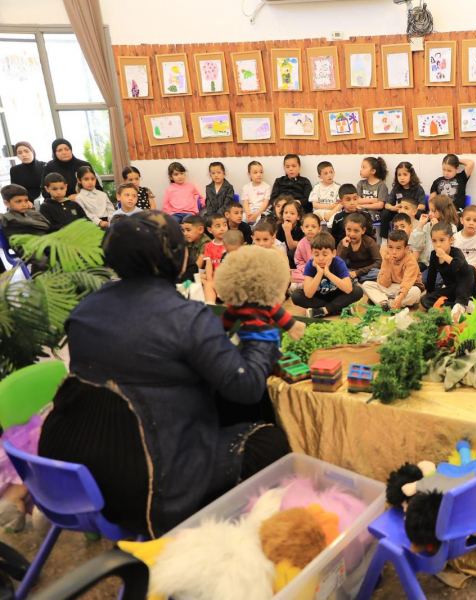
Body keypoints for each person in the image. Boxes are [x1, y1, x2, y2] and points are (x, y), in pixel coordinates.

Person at [37, 211, 289, 536]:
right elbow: (248, 385)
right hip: (148, 484)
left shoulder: (85, 309)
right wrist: (262, 332)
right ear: (174, 256)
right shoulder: (187, 318)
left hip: (73, 474)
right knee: (267, 440)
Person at [292, 231, 364, 318]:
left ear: (333, 253)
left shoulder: (338, 263)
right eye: (316, 254)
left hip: (337, 295)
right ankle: (338, 309)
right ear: (312, 254)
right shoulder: (310, 264)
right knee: (296, 296)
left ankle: (323, 311)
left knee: (358, 291)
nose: (321, 258)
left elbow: (348, 289)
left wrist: (328, 273)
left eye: (325, 254)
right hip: (319, 298)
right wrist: (319, 273)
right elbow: (308, 294)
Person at [421, 223, 476, 317]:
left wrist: (444, 256)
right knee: (425, 300)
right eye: (434, 241)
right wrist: (430, 294)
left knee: (470, 268)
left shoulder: (456, 252)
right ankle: (461, 306)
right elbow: (431, 275)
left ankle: (462, 303)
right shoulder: (434, 255)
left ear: (451, 240)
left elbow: (461, 268)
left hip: (466, 290)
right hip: (451, 289)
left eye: (442, 240)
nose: (438, 244)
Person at [362, 230, 423, 310]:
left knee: (415, 292)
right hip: (392, 287)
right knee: (366, 285)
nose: (394, 252)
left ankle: (388, 302)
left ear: (406, 248)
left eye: (398, 248)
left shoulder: (411, 260)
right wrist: (387, 263)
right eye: (390, 247)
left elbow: (407, 283)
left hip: (408, 288)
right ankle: (385, 303)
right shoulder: (387, 257)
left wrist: (400, 298)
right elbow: (384, 284)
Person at [382, 162, 426, 239]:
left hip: (413, 213)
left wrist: (410, 209)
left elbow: (422, 206)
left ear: (411, 175)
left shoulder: (418, 188)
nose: (402, 178)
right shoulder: (396, 188)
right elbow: (387, 205)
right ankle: (385, 239)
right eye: (399, 175)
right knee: (385, 213)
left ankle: (418, 237)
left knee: (422, 215)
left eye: (405, 174)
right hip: (400, 211)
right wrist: (393, 208)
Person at [338, 213, 381, 283]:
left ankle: (355, 280)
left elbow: (378, 262)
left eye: (356, 231)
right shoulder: (343, 243)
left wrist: (358, 273)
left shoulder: (369, 242)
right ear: (345, 229)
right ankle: (355, 280)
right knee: (338, 272)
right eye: (348, 230)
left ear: (363, 230)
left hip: (366, 271)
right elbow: (338, 263)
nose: (352, 234)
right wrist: (344, 248)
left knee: (378, 272)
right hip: (350, 271)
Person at [419, 194, 458, 269]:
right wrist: (420, 226)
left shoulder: (452, 227)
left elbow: (447, 249)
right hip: (426, 263)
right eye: (429, 210)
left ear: (443, 211)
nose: (429, 214)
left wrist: (436, 229)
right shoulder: (427, 226)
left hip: (443, 263)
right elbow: (417, 245)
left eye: (433, 211)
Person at [357, 156, 389, 238]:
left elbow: (380, 205)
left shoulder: (381, 185)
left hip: (375, 214)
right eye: (361, 167)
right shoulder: (361, 183)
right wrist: (374, 200)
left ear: (373, 171)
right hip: (361, 212)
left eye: (364, 167)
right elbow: (357, 200)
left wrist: (363, 205)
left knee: (369, 215)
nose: (361, 170)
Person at [291, 213, 321, 285]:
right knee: (293, 275)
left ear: (319, 229)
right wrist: (306, 268)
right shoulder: (301, 244)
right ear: (302, 229)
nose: (310, 229)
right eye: (307, 226)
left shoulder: (323, 241)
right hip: (306, 270)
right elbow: (298, 261)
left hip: (321, 268)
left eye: (313, 227)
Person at [393, 201, 426, 266]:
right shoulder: (396, 239)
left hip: (418, 264)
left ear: (410, 227)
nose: (399, 229)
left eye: (402, 226)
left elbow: (413, 260)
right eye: (396, 227)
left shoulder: (415, 236)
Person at [241, 161, 271, 225]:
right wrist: (248, 213)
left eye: (261, 172)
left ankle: (255, 229)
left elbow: (265, 203)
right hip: (249, 211)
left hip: (261, 212)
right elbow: (245, 202)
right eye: (255, 172)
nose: (259, 174)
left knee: (261, 220)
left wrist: (256, 214)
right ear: (249, 174)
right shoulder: (246, 187)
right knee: (241, 218)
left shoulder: (267, 187)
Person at [276, 200, 303, 269]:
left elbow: (292, 247)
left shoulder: (301, 228)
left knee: (291, 252)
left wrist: (287, 231)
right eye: (286, 213)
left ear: (298, 216)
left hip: (296, 258)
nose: (288, 215)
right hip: (281, 256)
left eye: (292, 213)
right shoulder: (279, 227)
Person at [180, 214, 208, 282]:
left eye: (188, 230)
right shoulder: (188, 240)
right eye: (183, 230)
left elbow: (197, 267)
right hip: (192, 271)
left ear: (200, 229)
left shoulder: (206, 243)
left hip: (201, 271)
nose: (185, 233)